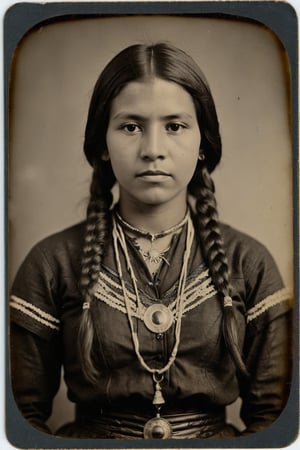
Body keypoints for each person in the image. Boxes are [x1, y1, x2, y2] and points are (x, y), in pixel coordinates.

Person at [9, 42, 291, 440]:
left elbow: (277, 421)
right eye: (130, 126)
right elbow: (17, 423)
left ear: (203, 145)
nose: (153, 150)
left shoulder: (249, 262)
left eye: (174, 126)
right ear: (102, 144)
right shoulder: (52, 263)